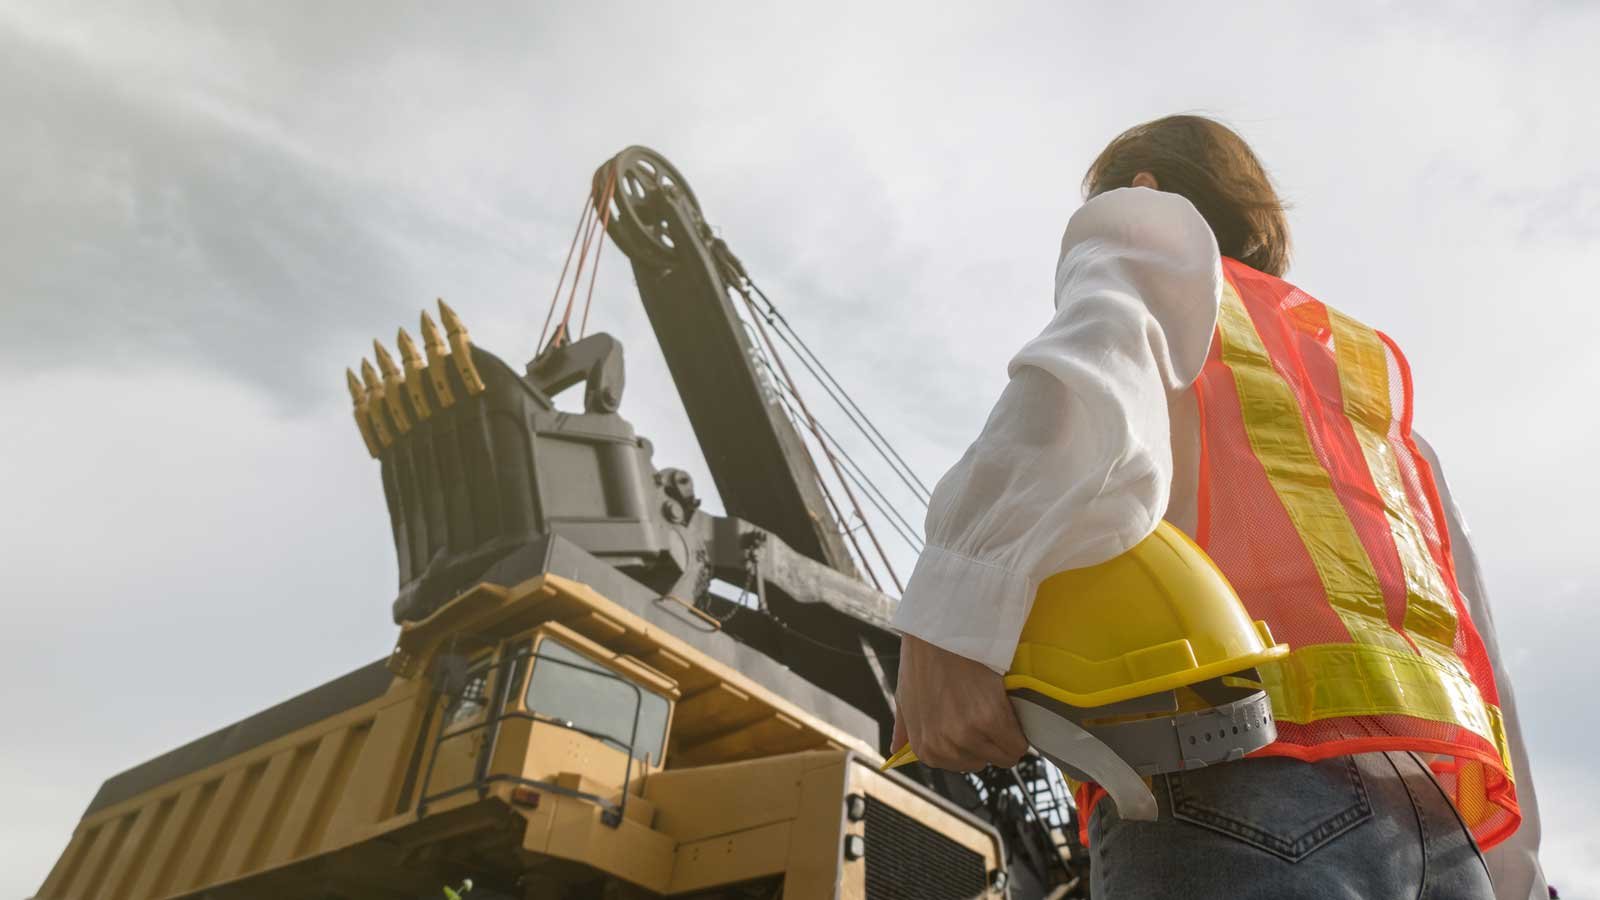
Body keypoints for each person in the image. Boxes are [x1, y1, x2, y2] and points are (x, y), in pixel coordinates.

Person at [889, 115, 1548, 899]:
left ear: (1143, 188)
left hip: (1233, 790)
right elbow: (1480, 661)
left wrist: (952, 616)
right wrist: (1520, 872)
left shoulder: (1147, 235)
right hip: (1444, 834)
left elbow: (1082, 389)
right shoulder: (1371, 406)